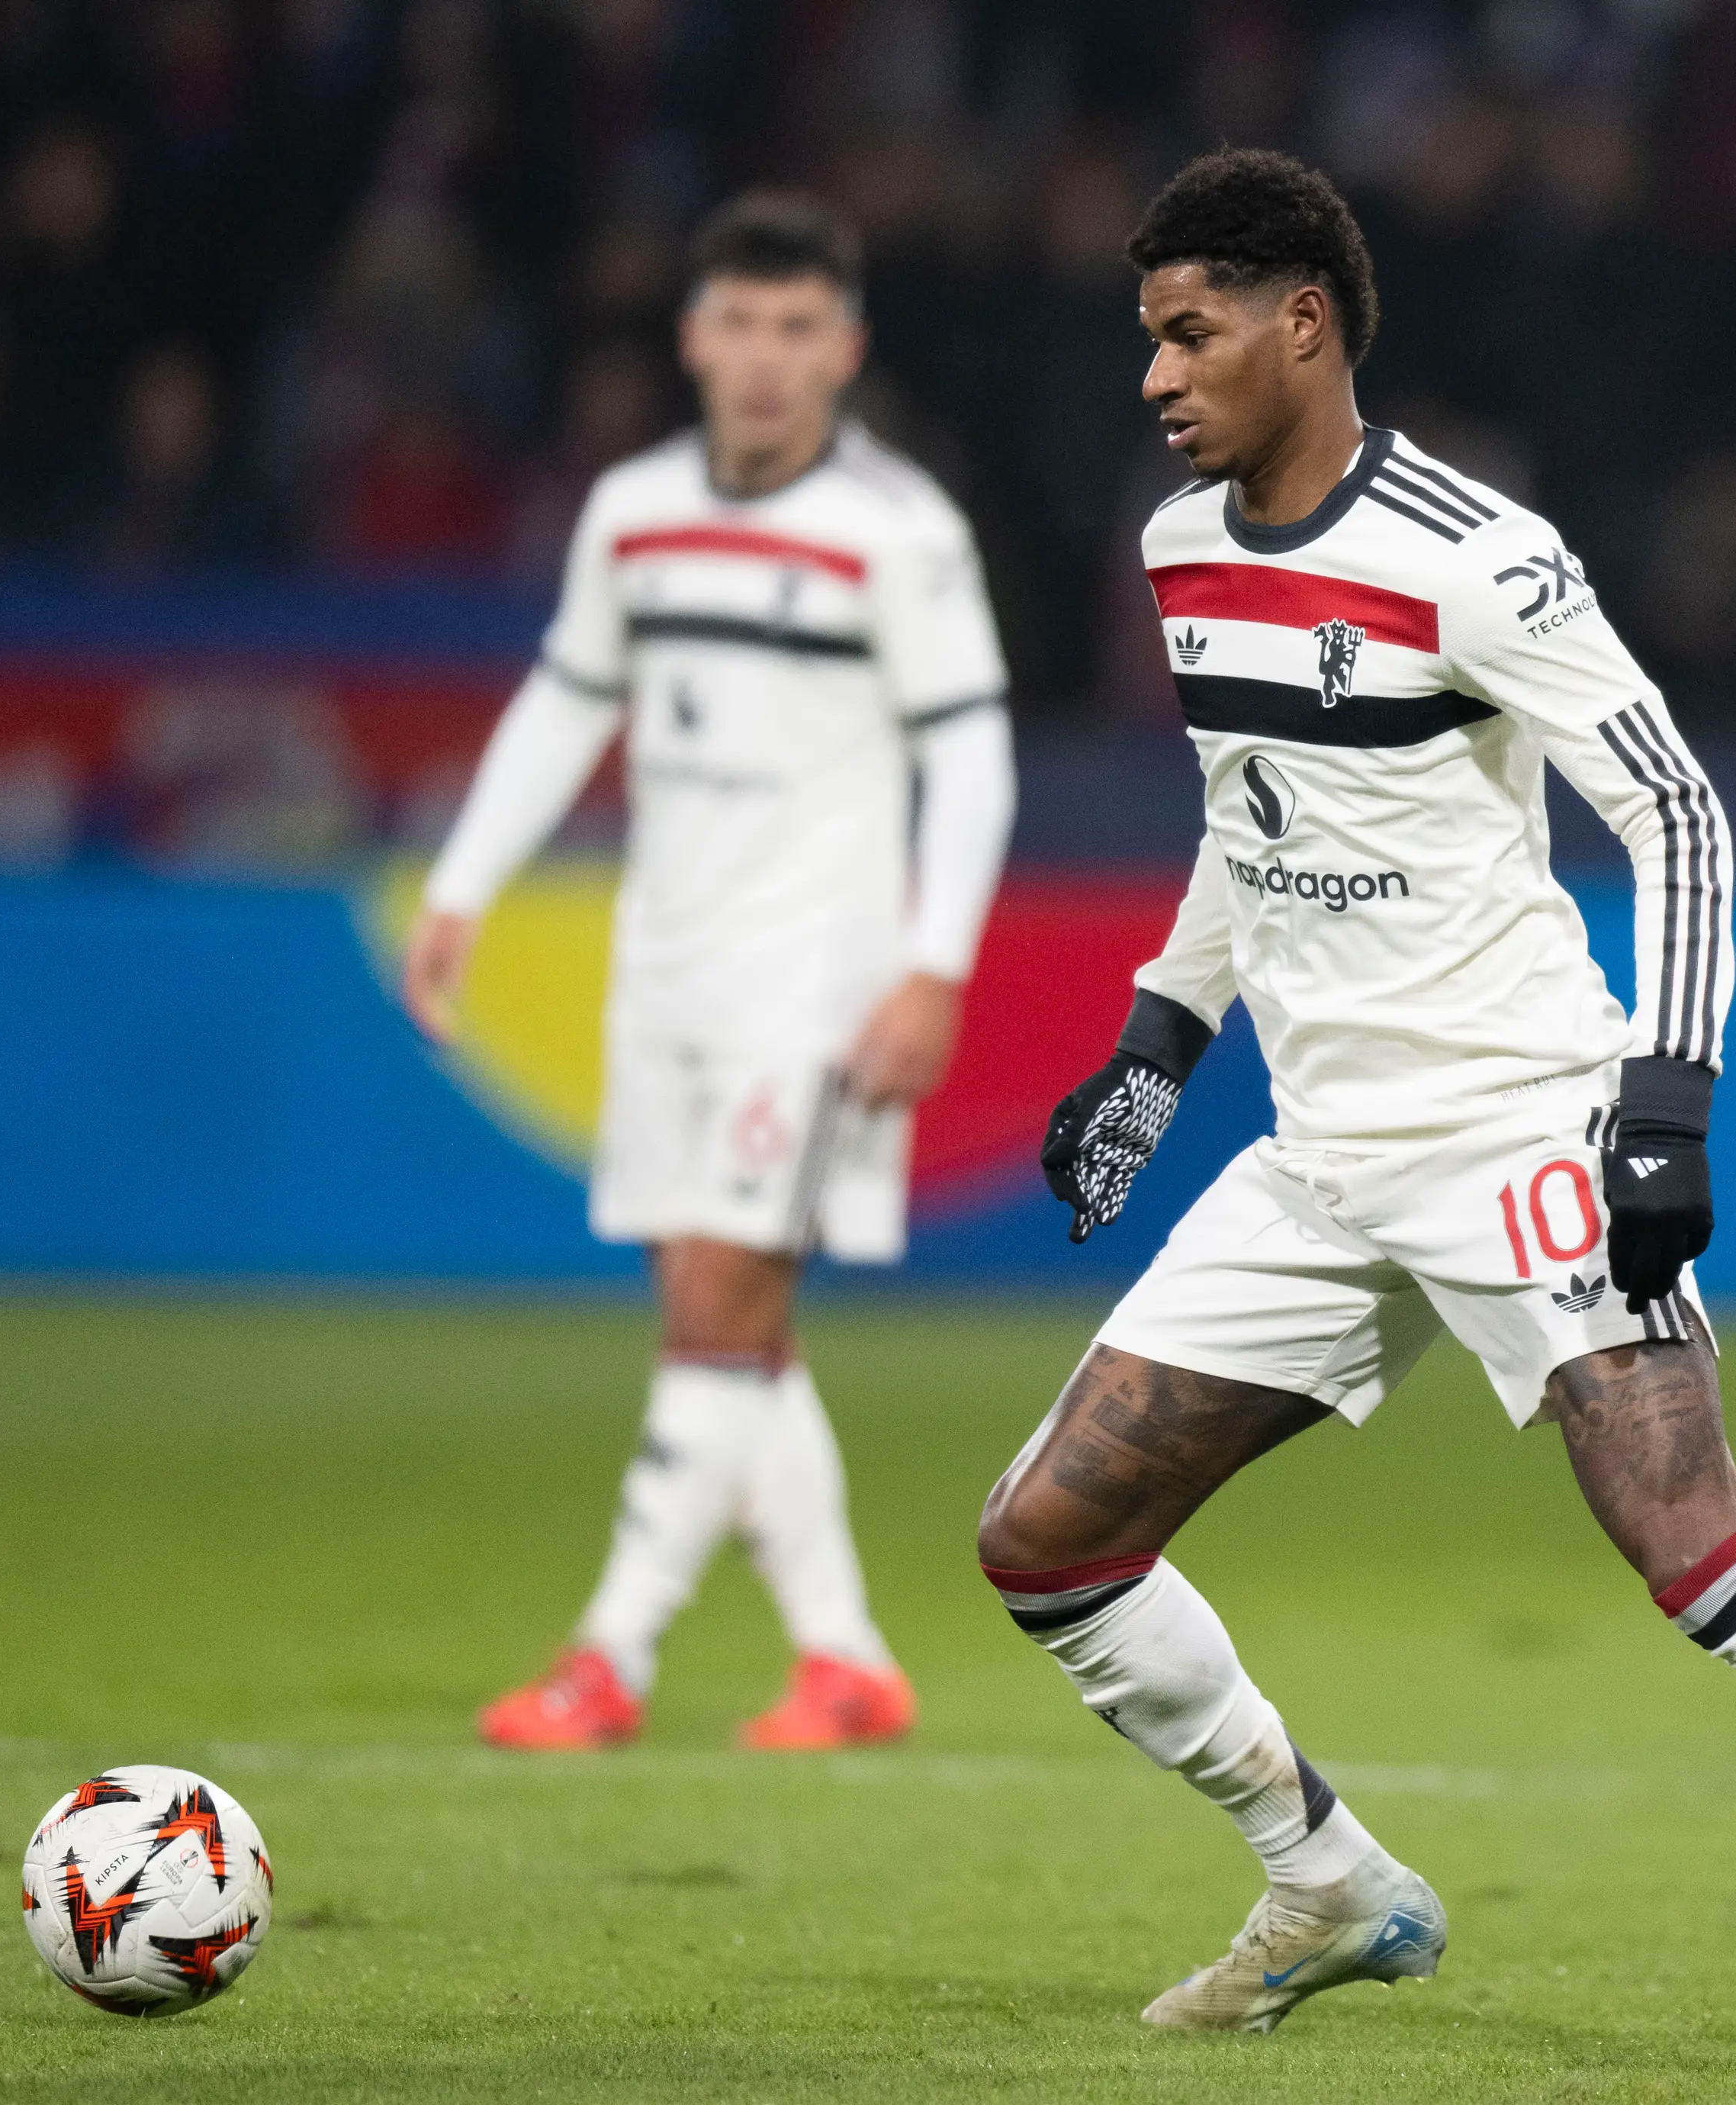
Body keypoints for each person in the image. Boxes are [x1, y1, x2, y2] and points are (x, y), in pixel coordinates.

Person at [984, 149, 1736, 2068]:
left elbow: (1677, 811)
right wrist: (1155, 1047)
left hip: (1520, 1124)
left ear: (1305, 321)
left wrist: (1666, 1103)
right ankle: (1328, 1877)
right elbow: (1250, 814)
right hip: (1322, 1156)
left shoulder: (1480, 556)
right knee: (1047, 1540)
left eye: (1191, 332)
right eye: (1149, 337)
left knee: (1694, 1548)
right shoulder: (1180, 547)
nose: (1157, 374)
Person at [407, 192, 1017, 1754]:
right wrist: (464, 884)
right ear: (692, 337)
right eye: (739, 323)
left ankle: (610, 1655)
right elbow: (566, 699)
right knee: (726, 1319)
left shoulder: (900, 529)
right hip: (665, 971)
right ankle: (845, 1658)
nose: (763, 358)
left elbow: (973, 759)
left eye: (796, 328)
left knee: (719, 1307)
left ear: (845, 349)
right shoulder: (634, 511)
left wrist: (934, 967)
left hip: (814, 984)